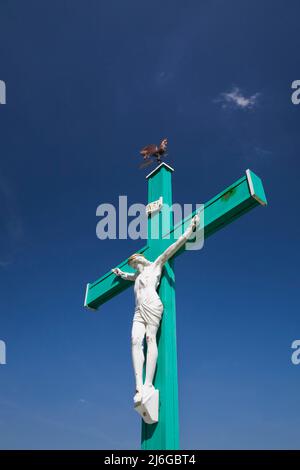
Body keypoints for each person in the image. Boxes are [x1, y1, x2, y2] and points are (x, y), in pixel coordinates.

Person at [112, 214, 200, 406]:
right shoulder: (135, 276)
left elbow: (171, 249)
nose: (134, 266)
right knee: (135, 340)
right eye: (133, 266)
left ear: (141, 260)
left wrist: (188, 232)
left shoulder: (155, 266)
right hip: (138, 309)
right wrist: (121, 274)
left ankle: (148, 383)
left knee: (151, 339)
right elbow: (130, 277)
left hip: (152, 304)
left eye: (135, 263)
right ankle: (138, 387)